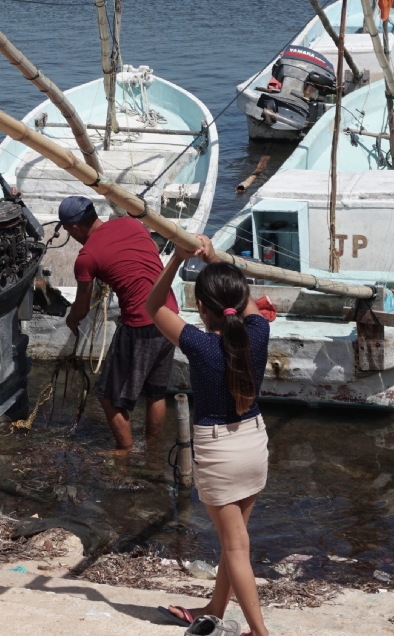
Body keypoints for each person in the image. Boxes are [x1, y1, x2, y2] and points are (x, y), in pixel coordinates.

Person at [146, 234, 271, 636]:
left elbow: (152, 306)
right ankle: (214, 608)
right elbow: (247, 301)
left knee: (236, 546)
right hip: (254, 443)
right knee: (235, 541)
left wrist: (177, 261)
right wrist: (215, 261)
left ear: (201, 308)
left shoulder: (199, 345)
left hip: (220, 452)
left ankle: (260, 632)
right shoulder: (258, 333)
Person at [58, 195, 179, 453]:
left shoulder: (87, 256)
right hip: (171, 316)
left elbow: (81, 306)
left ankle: (124, 450)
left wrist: (72, 319)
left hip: (140, 324)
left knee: (108, 396)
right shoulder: (132, 224)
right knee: (155, 392)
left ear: (76, 227)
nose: (72, 236)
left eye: (69, 231)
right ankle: (153, 450)